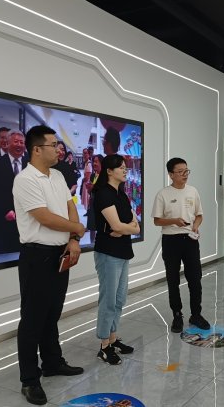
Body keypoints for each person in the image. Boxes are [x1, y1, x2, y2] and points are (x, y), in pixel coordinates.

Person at [13, 125, 86, 405]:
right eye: (53, 145)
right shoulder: (25, 180)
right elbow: (44, 217)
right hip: (37, 256)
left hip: (60, 252)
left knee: (52, 313)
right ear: (36, 149)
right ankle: (29, 380)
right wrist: (76, 227)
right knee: (33, 318)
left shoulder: (57, 175)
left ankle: (52, 362)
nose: (58, 149)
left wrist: (74, 238)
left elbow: (70, 206)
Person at [152, 157, 210, 333]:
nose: (185, 174)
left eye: (186, 171)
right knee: (173, 280)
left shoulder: (193, 191)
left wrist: (196, 226)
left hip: (190, 240)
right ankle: (177, 315)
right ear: (171, 174)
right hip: (171, 240)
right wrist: (174, 221)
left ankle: (196, 315)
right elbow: (157, 221)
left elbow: (199, 215)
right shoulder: (163, 194)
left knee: (195, 278)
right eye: (180, 172)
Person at [93, 154, 139, 365]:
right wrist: (124, 228)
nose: (125, 170)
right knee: (109, 300)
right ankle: (104, 346)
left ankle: (112, 339)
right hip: (108, 253)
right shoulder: (103, 194)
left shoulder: (122, 194)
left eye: (125, 167)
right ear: (109, 171)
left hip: (123, 250)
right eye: (120, 167)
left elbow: (135, 226)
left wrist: (124, 229)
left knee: (119, 299)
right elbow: (117, 226)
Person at [0, 130, 28, 253]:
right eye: (16, 142)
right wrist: (4, 211)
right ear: (8, 143)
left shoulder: (30, 163)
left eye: (22, 142)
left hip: (28, 218)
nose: (19, 145)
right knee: (8, 249)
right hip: (6, 218)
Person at [86, 154, 103, 243]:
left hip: (102, 205)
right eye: (93, 162)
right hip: (93, 203)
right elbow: (90, 192)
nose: (94, 164)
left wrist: (94, 187)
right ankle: (91, 243)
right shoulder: (93, 175)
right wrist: (89, 189)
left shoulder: (105, 176)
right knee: (92, 226)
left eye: (96, 162)